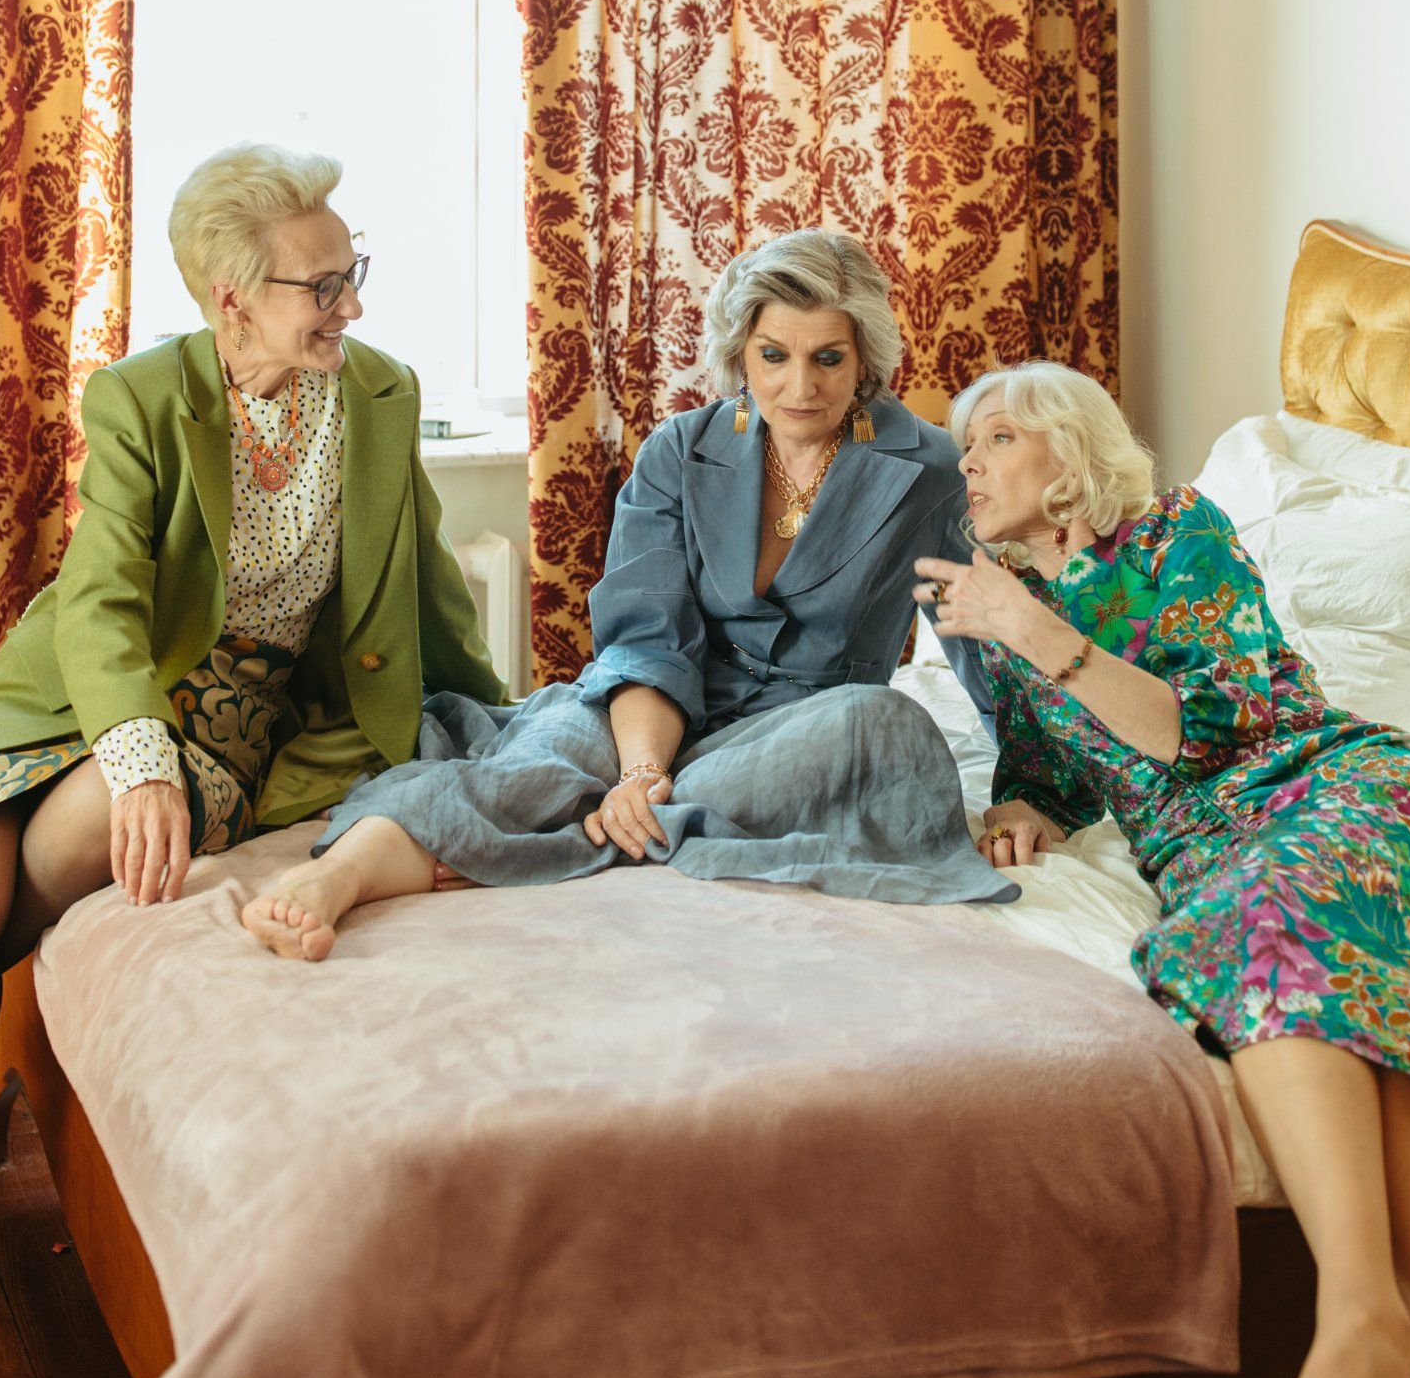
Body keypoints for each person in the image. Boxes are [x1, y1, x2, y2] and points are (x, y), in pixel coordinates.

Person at [0, 145, 503, 1317]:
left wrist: (500, 723)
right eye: (321, 285)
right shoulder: (140, 396)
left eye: (351, 272)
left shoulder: (380, 395)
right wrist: (137, 757)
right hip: (76, 690)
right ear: (233, 299)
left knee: (62, 853)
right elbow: (103, 599)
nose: (350, 305)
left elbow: (423, 580)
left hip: (241, 716)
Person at [916, 361, 1410, 1378]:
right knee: (1377, 1058)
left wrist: (1035, 630)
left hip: (1334, 787)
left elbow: (1199, 731)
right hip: (1206, 852)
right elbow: (1054, 769)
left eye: (996, 439)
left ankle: (1362, 1320)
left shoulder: (1180, 533)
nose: (966, 464)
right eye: (963, 447)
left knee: (1259, 931)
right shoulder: (1001, 605)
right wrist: (1028, 806)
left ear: (1069, 450)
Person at [239, 228, 1015, 959]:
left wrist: (1032, 790)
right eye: (774, 355)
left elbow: (987, 639)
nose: (799, 386)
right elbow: (647, 635)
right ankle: (343, 872)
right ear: (741, 352)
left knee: (882, 723)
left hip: (806, 731)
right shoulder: (680, 450)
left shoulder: (931, 468)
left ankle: (551, 837)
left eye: (829, 359)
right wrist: (641, 771)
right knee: (554, 754)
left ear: (866, 360)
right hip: (651, 707)